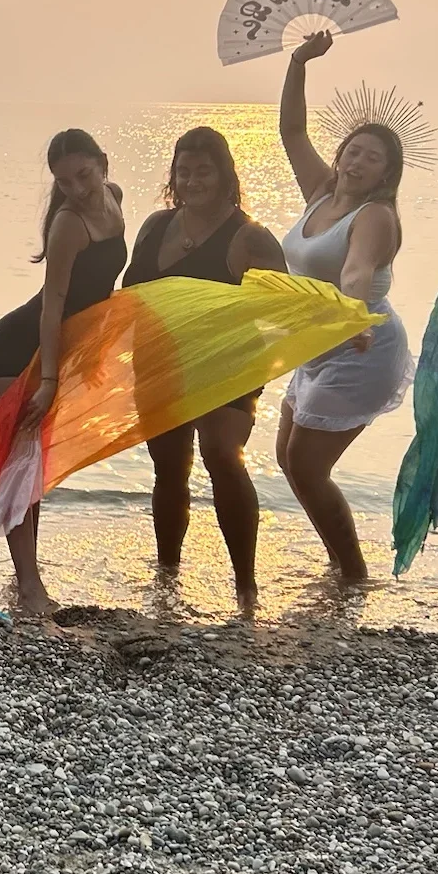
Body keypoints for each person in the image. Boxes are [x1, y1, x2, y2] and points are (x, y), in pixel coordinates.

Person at [122, 126, 288, 584]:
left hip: (226, 364)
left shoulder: (249, 237)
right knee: (170, 469)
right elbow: (131, 293)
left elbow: (286, 299)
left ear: (224, 175)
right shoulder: (156, 226)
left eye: (203, 172)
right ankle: (168, 575)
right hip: (161, 361)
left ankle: (246, 584)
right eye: (184, 171)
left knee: (221, 455)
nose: (192, 181)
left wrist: (339, 325)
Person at [276, 30, 411, 579]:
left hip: (363, 345)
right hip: (317, 343)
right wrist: (298, 61)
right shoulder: (321, 193)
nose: (358, 161)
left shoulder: (376, 216)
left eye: (372, 157)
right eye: (353, 150)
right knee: (288, 459)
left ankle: (353, 571)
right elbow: (290, 130)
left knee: (307, 467)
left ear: (386, 173)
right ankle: (341, 564)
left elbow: (356, 271)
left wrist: (352, 316)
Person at [0, 129, 127, 610]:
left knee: (34, 463)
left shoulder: (115, 198)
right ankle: (28, 586)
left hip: (61, 350)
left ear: (103, 164)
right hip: (19, 351)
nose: (78, 189)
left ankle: (26, 580)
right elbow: (53, 306)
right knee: (24, 464)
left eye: (83, 175)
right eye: (64, 182)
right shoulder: (68, 224)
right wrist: (47, 379)